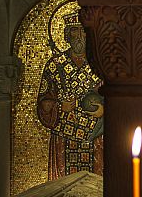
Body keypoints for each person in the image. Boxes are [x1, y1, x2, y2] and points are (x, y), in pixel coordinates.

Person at [37, 12, 104, 180]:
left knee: (95, 186)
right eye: (75, 31)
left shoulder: (100, 64)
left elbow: (114, 95)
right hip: (64, 136)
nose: (80, 36)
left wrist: (104, 110)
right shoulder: (55, 65)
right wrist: (60, 107)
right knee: (62, 187)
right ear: (67, 35)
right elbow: (43, 102)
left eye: (84, 31)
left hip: (93, 135)